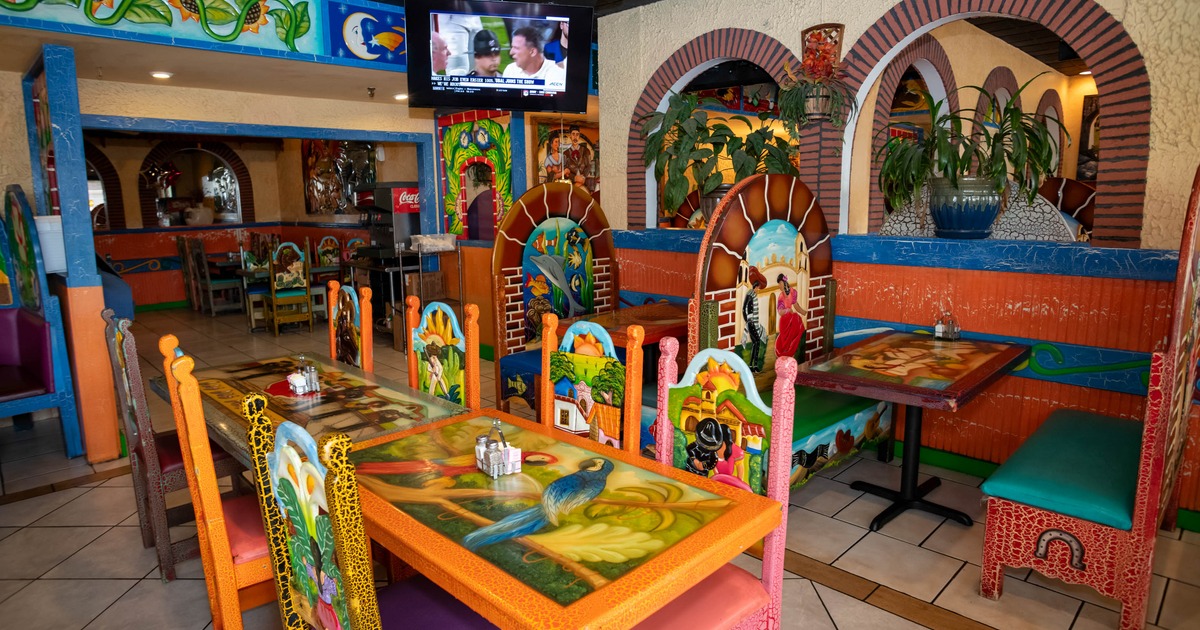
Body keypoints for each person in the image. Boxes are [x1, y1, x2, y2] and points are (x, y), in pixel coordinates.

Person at [775, 273, 807, 360]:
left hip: (791, 320)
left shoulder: (793, 292)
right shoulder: (781, 296)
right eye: (778, 284)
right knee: (784, 343)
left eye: (780, 283)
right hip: (785, 321)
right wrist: (787, 310)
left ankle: (790, 358)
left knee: (796, 319)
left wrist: (804, 312)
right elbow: (780, 312)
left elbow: (796, 305)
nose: (779, 286)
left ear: (784, 283)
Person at [743, 266, 767, 372]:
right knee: (756, 342)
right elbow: (744, 308)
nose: (758, 290)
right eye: (758, 288)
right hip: (751, 322)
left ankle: (753, 366)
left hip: (754, 323)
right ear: (755, 286)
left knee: (755, 343)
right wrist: (748, 321)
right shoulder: (750, 294)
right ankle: (753, 365)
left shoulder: (754, 295)